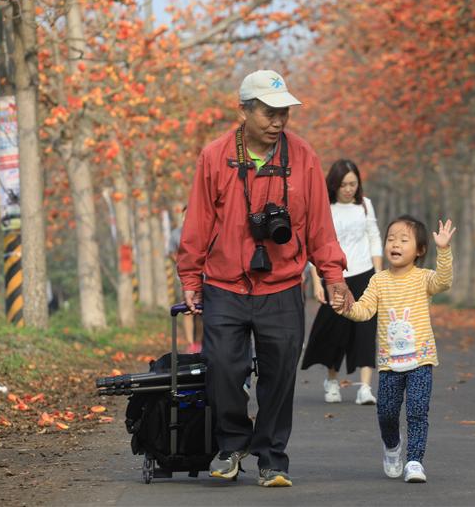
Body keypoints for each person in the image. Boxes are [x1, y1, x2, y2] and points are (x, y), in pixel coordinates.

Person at [176, 69, 353, 488]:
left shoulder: (303, 157)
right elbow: (198, 221)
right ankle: (232, 443)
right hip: (224, 284)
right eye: (269, 113)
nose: (278, 122)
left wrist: (333, 277)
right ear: (244, 110)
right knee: (221, 365)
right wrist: (190, 275)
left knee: (279, 372)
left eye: (284, 113)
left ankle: (272, 457)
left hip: (282, 284)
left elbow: (319, 225)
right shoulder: (215, 156)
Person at [332, 215, 455, 484]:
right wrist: (347, 308)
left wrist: (444, 249)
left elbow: (444, 281)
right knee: (387, 413)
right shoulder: (379, 281)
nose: (394, 244)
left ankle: (414, 461)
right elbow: (365, 310)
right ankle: (392, 445)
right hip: (390, 363)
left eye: (403, 239)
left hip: (421, 359)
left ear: (420, 250)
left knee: (417, 412)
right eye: (390, 239)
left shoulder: (424, 279)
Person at [301, 159, 383, 405]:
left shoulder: (365, 206)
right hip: (335, 277)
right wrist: (317, 282)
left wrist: (378, 275)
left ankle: (365, 388)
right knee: (335, 333)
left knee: (366, 332)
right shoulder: (325, 208)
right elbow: (316, 246)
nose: (349, 189)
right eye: (344, 184)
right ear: (334, 185)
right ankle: (332, 380)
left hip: (364, 274)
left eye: (353, 184)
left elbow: (374, 238)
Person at [168, 206, 199, 353]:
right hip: (184, 277)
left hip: (202, 276)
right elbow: (171, 252)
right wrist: (182, 262)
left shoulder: (202, 232)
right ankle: (190, 342)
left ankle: (200, 341)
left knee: (200, 311)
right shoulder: (176, 234)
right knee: (187, 309)